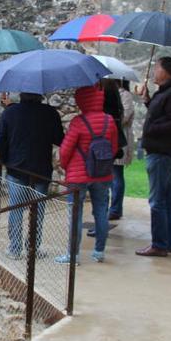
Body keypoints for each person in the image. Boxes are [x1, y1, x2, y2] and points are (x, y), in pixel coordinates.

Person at [0, 92, 64, 259]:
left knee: (16, 209)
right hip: (41, 168)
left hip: (16, 168)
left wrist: (6, 161)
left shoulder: (10, 112)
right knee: (38, 211)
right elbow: (59, 139)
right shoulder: (49, 113)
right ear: (40, 95)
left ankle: (15, 248)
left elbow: (1, 142)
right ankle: (33, 247)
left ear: (21, 94)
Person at [55, 86, 118, 264]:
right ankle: (99, 252)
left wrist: (67, 167)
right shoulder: (109, 120)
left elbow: (66, 149)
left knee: (75, 214)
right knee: (101, 212)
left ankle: (73, 255)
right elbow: (112, 148)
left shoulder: (78, 122)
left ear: (83, 100)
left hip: (78, 175)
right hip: (102, 174)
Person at [136, 57, 171, 257]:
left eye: (157, 69)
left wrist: (151, 129)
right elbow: (163, 115)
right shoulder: (169, 93)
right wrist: (148, 101)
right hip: (163, 151)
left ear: (166, 71)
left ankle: (159, 244)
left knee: (157, 201)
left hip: (162, 152)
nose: (153, 72)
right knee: (166, 199)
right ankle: (169, 242)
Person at [110, 81, 135, 221]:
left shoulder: (125, 95)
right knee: (112, 175)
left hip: (120, 137)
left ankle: (115, 209)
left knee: (117, 174)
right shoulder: (112, 95)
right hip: (110, 136)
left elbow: (124, 117)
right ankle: (114, 207)